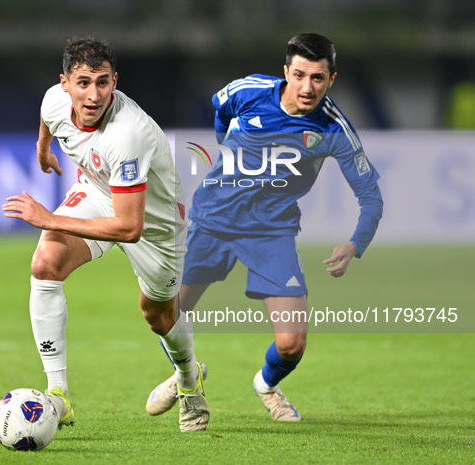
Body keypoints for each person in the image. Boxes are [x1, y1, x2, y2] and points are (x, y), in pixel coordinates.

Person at [145, 33, 383, 422]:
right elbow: (219, 110)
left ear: (331, 79)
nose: (307, 87)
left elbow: (371, 195)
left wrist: (356, 243)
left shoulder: (334, 128)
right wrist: (227, 144)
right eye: (300, 75)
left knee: (291, 344)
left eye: (318, 78)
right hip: (212, 220)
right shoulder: (248, 91)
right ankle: (187, 375)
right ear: (286, 71)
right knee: (164, 314)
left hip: (271, 231)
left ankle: (267, 384)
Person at [2, 37, 208, 432]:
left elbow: (129, 227)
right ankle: (59, 396)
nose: (93, 95)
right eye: (83, 83)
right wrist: (43, 148)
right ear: (65, 83)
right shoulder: (53, 100)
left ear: (116, 81)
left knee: (158, 316)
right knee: (45, 264)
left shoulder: (128, 135)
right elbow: (48, 119)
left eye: (102, 82)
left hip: (154, 224)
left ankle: (188, 380)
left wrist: (49, 219)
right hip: (100, 192)